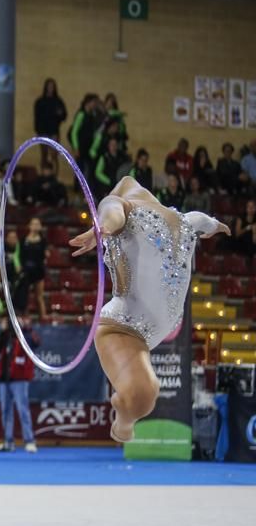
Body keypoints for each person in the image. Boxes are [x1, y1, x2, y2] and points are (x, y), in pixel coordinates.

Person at [69, 176, 228, 441]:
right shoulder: (126, 211)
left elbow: (200, 220)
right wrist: (103, 227)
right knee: (145, 395)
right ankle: (124, 417)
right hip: (124, 326)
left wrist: (214, 225)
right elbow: (112, 208)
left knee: (144, 395)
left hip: (150, 329)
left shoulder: (182, 222)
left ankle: (128, 406)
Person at [0, 318, 39, 453]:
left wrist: (24, 328)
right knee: (5, 411)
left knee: (22, 409)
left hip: (20, 379)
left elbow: (36, 342)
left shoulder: (26, 335)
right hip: (5, 379)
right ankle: (8, 442)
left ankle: (29, 441)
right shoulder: (6, 335)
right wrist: (2, 331)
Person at [16, 217, 49, 318]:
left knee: (39, 296)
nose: (35, 226)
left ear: (40, 227)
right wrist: (19, 266)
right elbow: (18, 255)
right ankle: (25, 317)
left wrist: (46, 255)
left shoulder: (43, 241)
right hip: (26, 271)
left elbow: (45, 255)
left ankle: (43, 316)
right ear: (29, 226)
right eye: (33, 224)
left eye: (37, 224)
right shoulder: (23, 240)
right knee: (25, 295)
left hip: (38, 271)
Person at [33, 78, 67, 158]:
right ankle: (44, 170)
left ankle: (54, 170)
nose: (50, 88)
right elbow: (36, 117)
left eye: (52, 86)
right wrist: (38, 130)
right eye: (49, 86)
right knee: (44, 155)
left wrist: (60, 114)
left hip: (54, 131)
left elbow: (64, 116)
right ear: (46, 87)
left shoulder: (58, 101)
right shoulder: (40, 101)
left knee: (54, 155)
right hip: (42, 131)